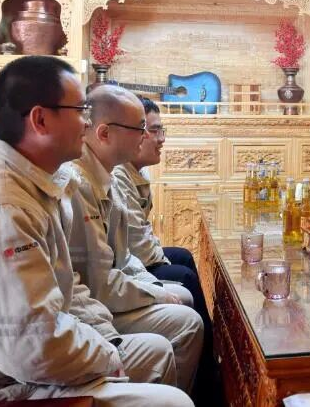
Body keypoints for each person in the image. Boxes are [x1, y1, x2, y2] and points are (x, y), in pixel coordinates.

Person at [0, 56, 192, 406]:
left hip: (27, 362)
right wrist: (107, 356)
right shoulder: (1, 208)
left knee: (155, 353)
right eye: (80, 110)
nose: (87, 122)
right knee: (173, 402)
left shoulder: (39, 183)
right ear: (40, 120)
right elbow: (31, 348)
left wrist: (106, 342)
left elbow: (69, 290)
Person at [65, 84, 203, 396]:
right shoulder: (77, 184)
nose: (148, 137)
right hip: (88, 310)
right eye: (140, 128)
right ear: (104, 133)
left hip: (101, 297)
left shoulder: (107, 175)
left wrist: (153, 288)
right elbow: (97, 283)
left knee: (182, 294)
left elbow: (125, 256)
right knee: (186, 320)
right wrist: (154, 294)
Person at [110, 97, 220, 405]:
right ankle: (208, 380)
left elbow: (133, 243)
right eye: (153, 130)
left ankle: (211, 358)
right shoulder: (111, 175)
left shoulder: (132, 172)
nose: (161, 139)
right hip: (119, 280)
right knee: (182, 274)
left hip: (126, 267)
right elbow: (134, 247)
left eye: (161, 130)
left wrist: (158, 261)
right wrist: (156, 286)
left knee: (182, 257)